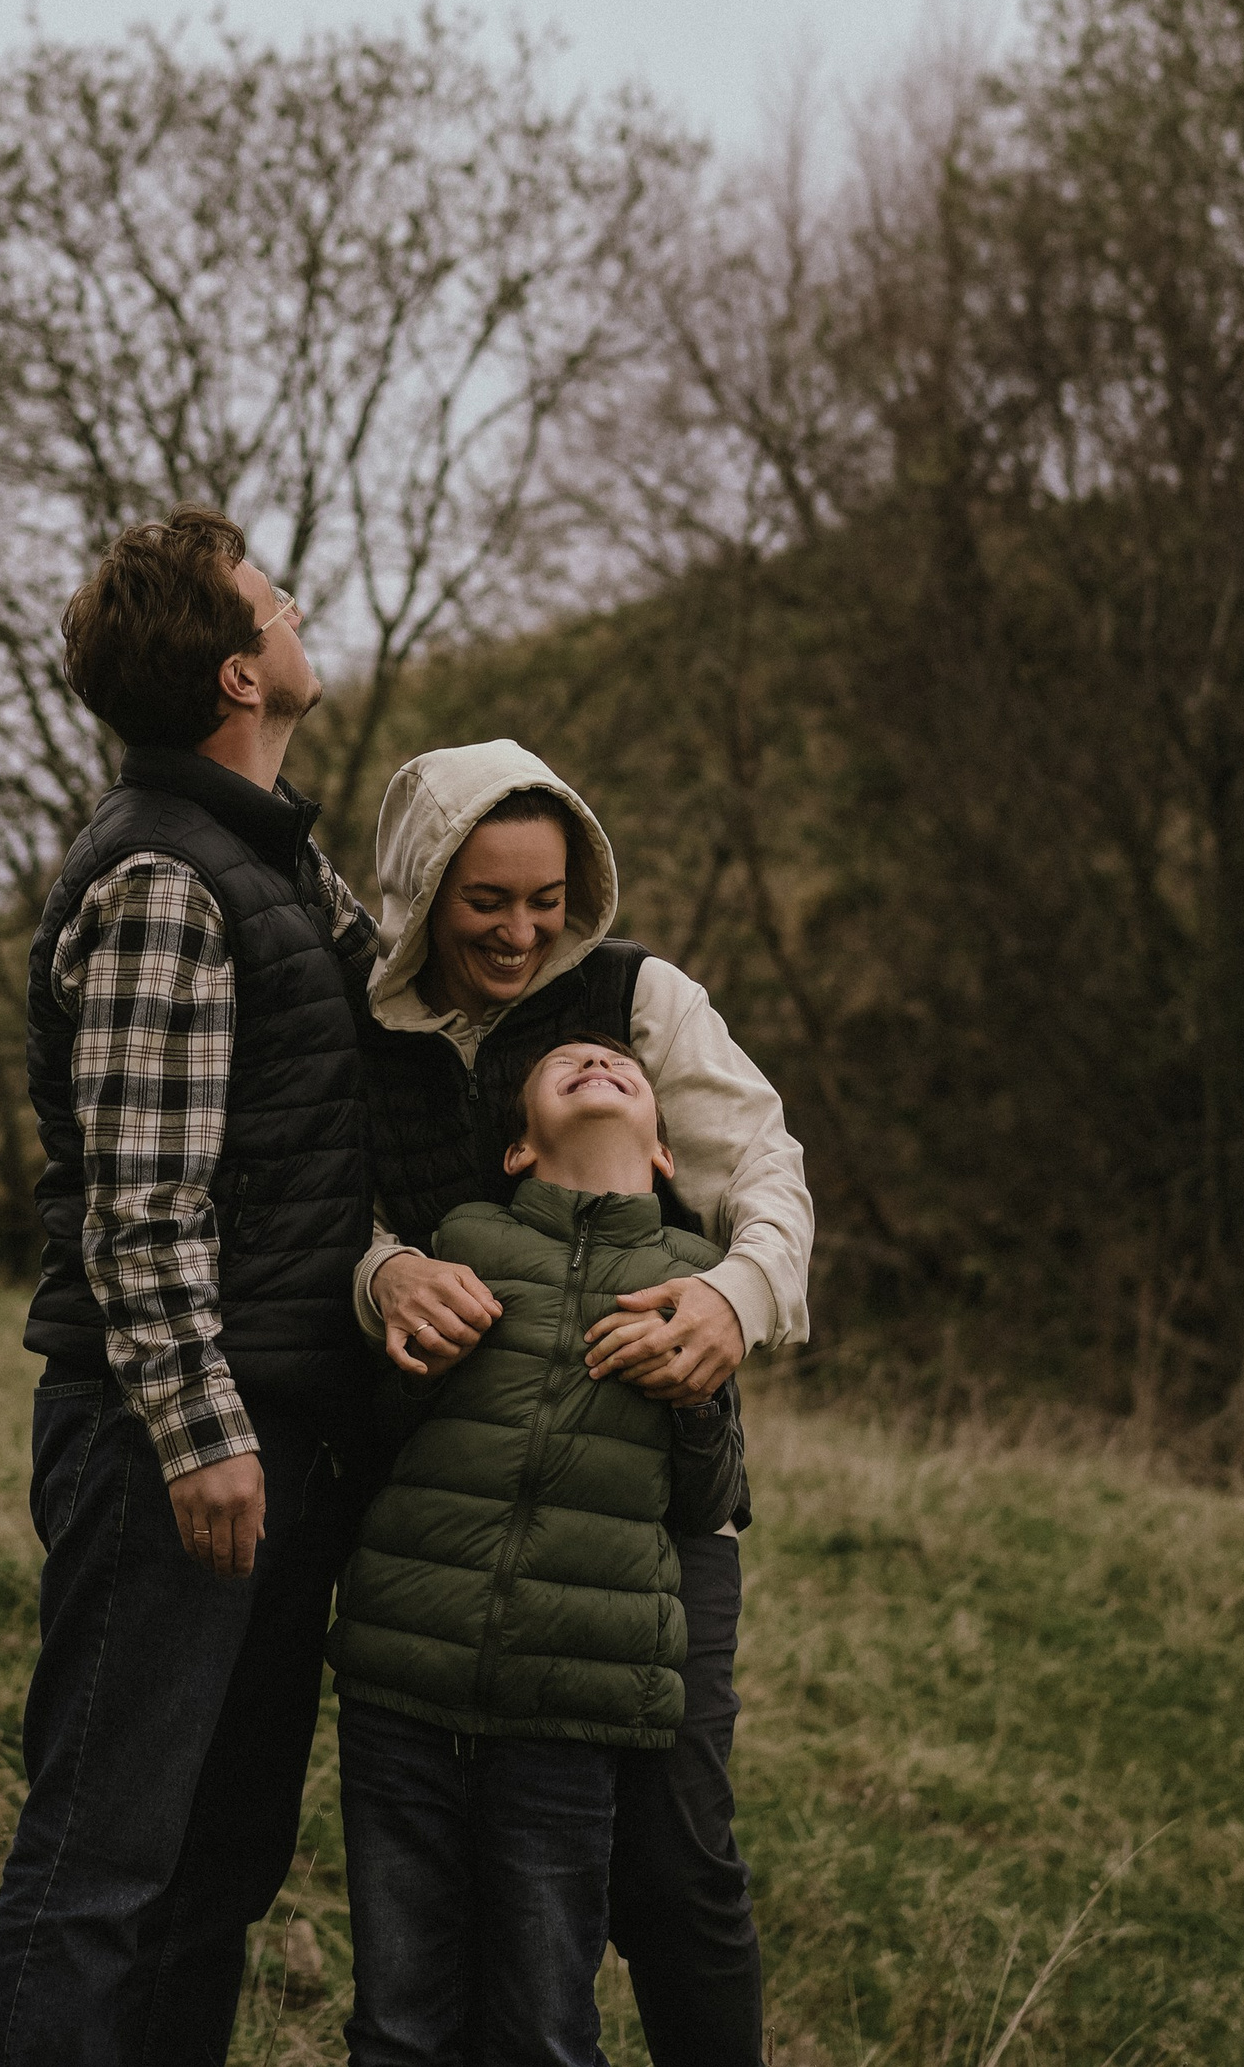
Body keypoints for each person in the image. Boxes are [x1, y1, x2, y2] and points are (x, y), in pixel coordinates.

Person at [0, 507, 376, 2067]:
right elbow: (141, 1209)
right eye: (275, 601)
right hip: (171, 1446)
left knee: (216, 1871)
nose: (294, 612)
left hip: (273, 1431)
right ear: (237, 669)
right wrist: (204, 1437)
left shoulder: (267, 858)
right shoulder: (158, 879)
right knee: (101, 1866)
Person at [352, 741, 815, 2067]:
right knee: (464, 1891)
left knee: (676, 1868)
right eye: (485, 899)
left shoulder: (636, 1000)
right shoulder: (363, 1028)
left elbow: (766, 1169)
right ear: (423, 888)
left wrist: (733, 1296)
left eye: (546, 896)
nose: (520, 929)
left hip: (647, 1503)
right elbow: (324, 1213)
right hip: (453, 1507)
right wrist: (383, 1270)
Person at [329, 1035, 742, 2067]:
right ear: (516, 1147)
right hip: (402, 1685)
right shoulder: (457, 1245)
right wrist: (414, 1349)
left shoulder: (695, 1283)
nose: (600, 1061)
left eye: (624, 1067)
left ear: (661, 1155)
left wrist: (691, 1398)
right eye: (570, 1062)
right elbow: (379, 1435)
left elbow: (711, 1496)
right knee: (395, 2022)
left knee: (545, 2030)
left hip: (574, 1709)